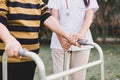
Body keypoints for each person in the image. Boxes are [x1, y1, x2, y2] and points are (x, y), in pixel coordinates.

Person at [0, 0, 81, 80]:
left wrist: (67, 36)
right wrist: (9, 40)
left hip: (30, 58)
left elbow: (47, 17)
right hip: (8, 60)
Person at [48, 0, 99, 80]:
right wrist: (61, 38)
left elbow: (89, 17)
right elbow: (54, 19)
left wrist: (81, 35)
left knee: (79, 77)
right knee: (59, 77)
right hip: (60, 43)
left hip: (81, 43)